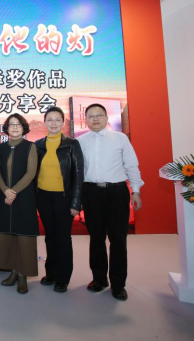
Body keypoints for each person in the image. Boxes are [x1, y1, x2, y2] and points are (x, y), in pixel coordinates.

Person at [78, 103, 144, 301]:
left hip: (117, 192)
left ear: (106, 118)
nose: (95, 119)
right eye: (91, 116)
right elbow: (77, 171)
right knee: (96, 238)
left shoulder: (120, 138)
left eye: (99, 115)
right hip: (91, 193)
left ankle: (118, 284)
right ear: (86, 120)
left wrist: (136, 191)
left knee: (118, 239)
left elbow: (131, 165)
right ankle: (99, 279)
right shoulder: (80, 141)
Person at [34, 106, 84, 293]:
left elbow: (78, 175)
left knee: (62, 237)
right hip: (43, 197)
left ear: (63, 123)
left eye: (57, 120)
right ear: (45, 122)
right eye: (50, 120)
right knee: (50, 236)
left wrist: (76, 203)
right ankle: (51, 273)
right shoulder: (38, 145)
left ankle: (62, 278)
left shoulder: (72, 144)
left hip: (64, 198)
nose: (53, 123)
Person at [0, 113, 39, 294]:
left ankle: (23, 275)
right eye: (11, 124)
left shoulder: (30, 147)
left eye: (18, 124)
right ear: (6, 128)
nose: (14, 127)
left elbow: (30, 173)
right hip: (4, 196)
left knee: (24, 237)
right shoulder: (1, 147)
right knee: (7, 236)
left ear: (23, 128)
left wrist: (13, 192)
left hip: (24, 196)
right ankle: (12, 271)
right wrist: (5, 190)